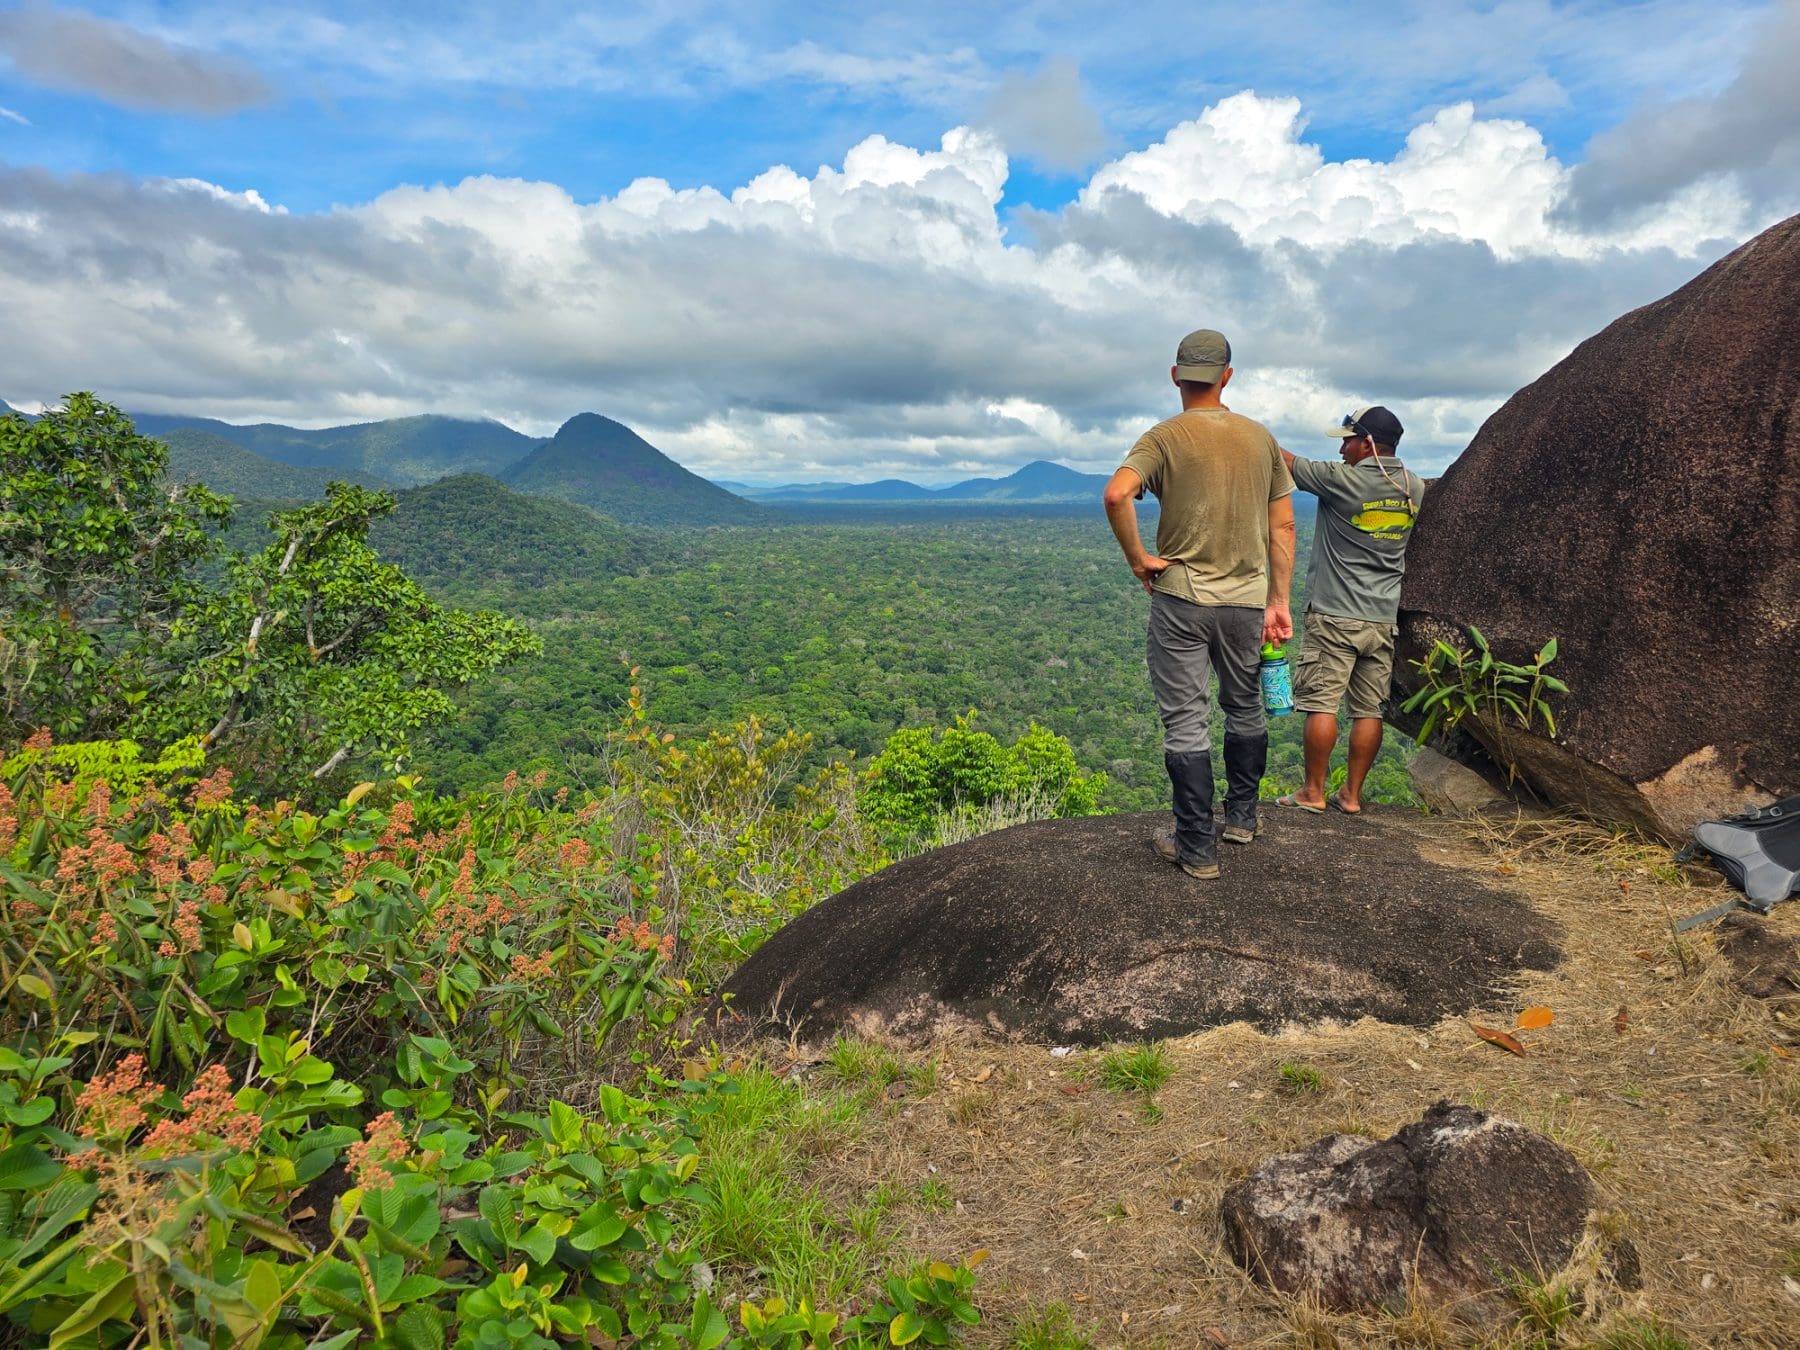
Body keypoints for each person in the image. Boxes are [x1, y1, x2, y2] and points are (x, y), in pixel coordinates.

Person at [1103, 329, 1296, 879]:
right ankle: (1241, 819)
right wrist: (1277, 601)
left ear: (1176, 375)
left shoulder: (1163, 437)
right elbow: (1281, 524)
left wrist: (1139, 559)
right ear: (1227, 376)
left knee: (1187, 721)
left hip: (1182, 599)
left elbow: (1118, 493)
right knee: (1245, 707)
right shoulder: (1260, 439)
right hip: (1246, 602)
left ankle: (1195, 848)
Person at [1275, 406, 1429, 816]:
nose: (1342, 449)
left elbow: (1284, 460)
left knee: (1321, 704)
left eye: (1347, 440)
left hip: (1334, 615)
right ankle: (1352, 795)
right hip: (1382, 619)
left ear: (1368, 443)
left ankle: (1313, 792)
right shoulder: (1413, 487)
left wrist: (1237, 426)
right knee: (1368, 710)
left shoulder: (1341, 481)